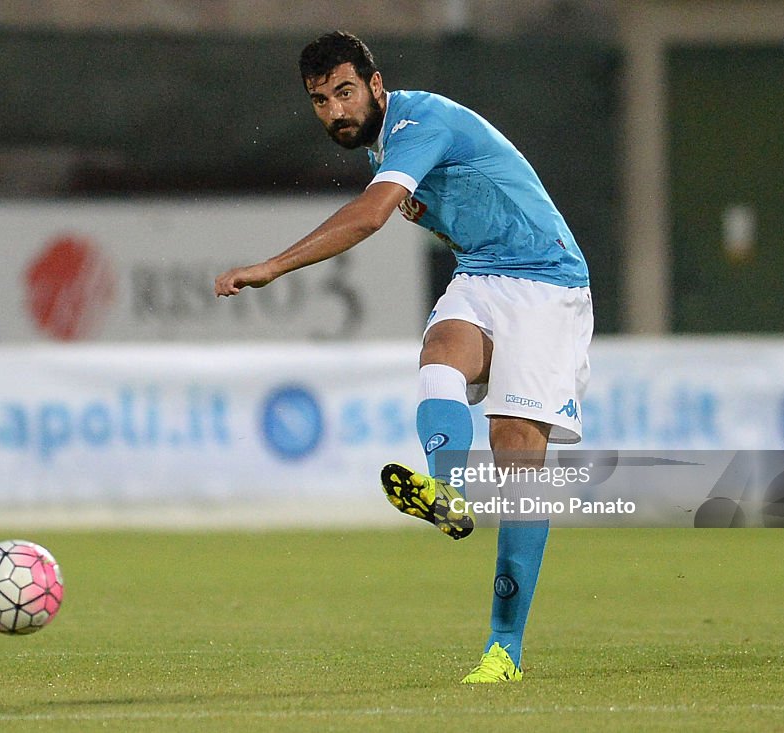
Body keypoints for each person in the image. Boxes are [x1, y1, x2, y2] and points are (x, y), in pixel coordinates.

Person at [215, 31, 592, 684]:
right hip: (484, 273)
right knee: (440, 352)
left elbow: (369, 218)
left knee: (517, 460)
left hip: (548, 280)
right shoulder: (383, 143)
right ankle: (449, 488)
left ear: (376, 84)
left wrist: (273, 266)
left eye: (345, 91)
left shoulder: (420, 123)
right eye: (320, 100)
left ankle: (504, 648)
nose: (336, 110)